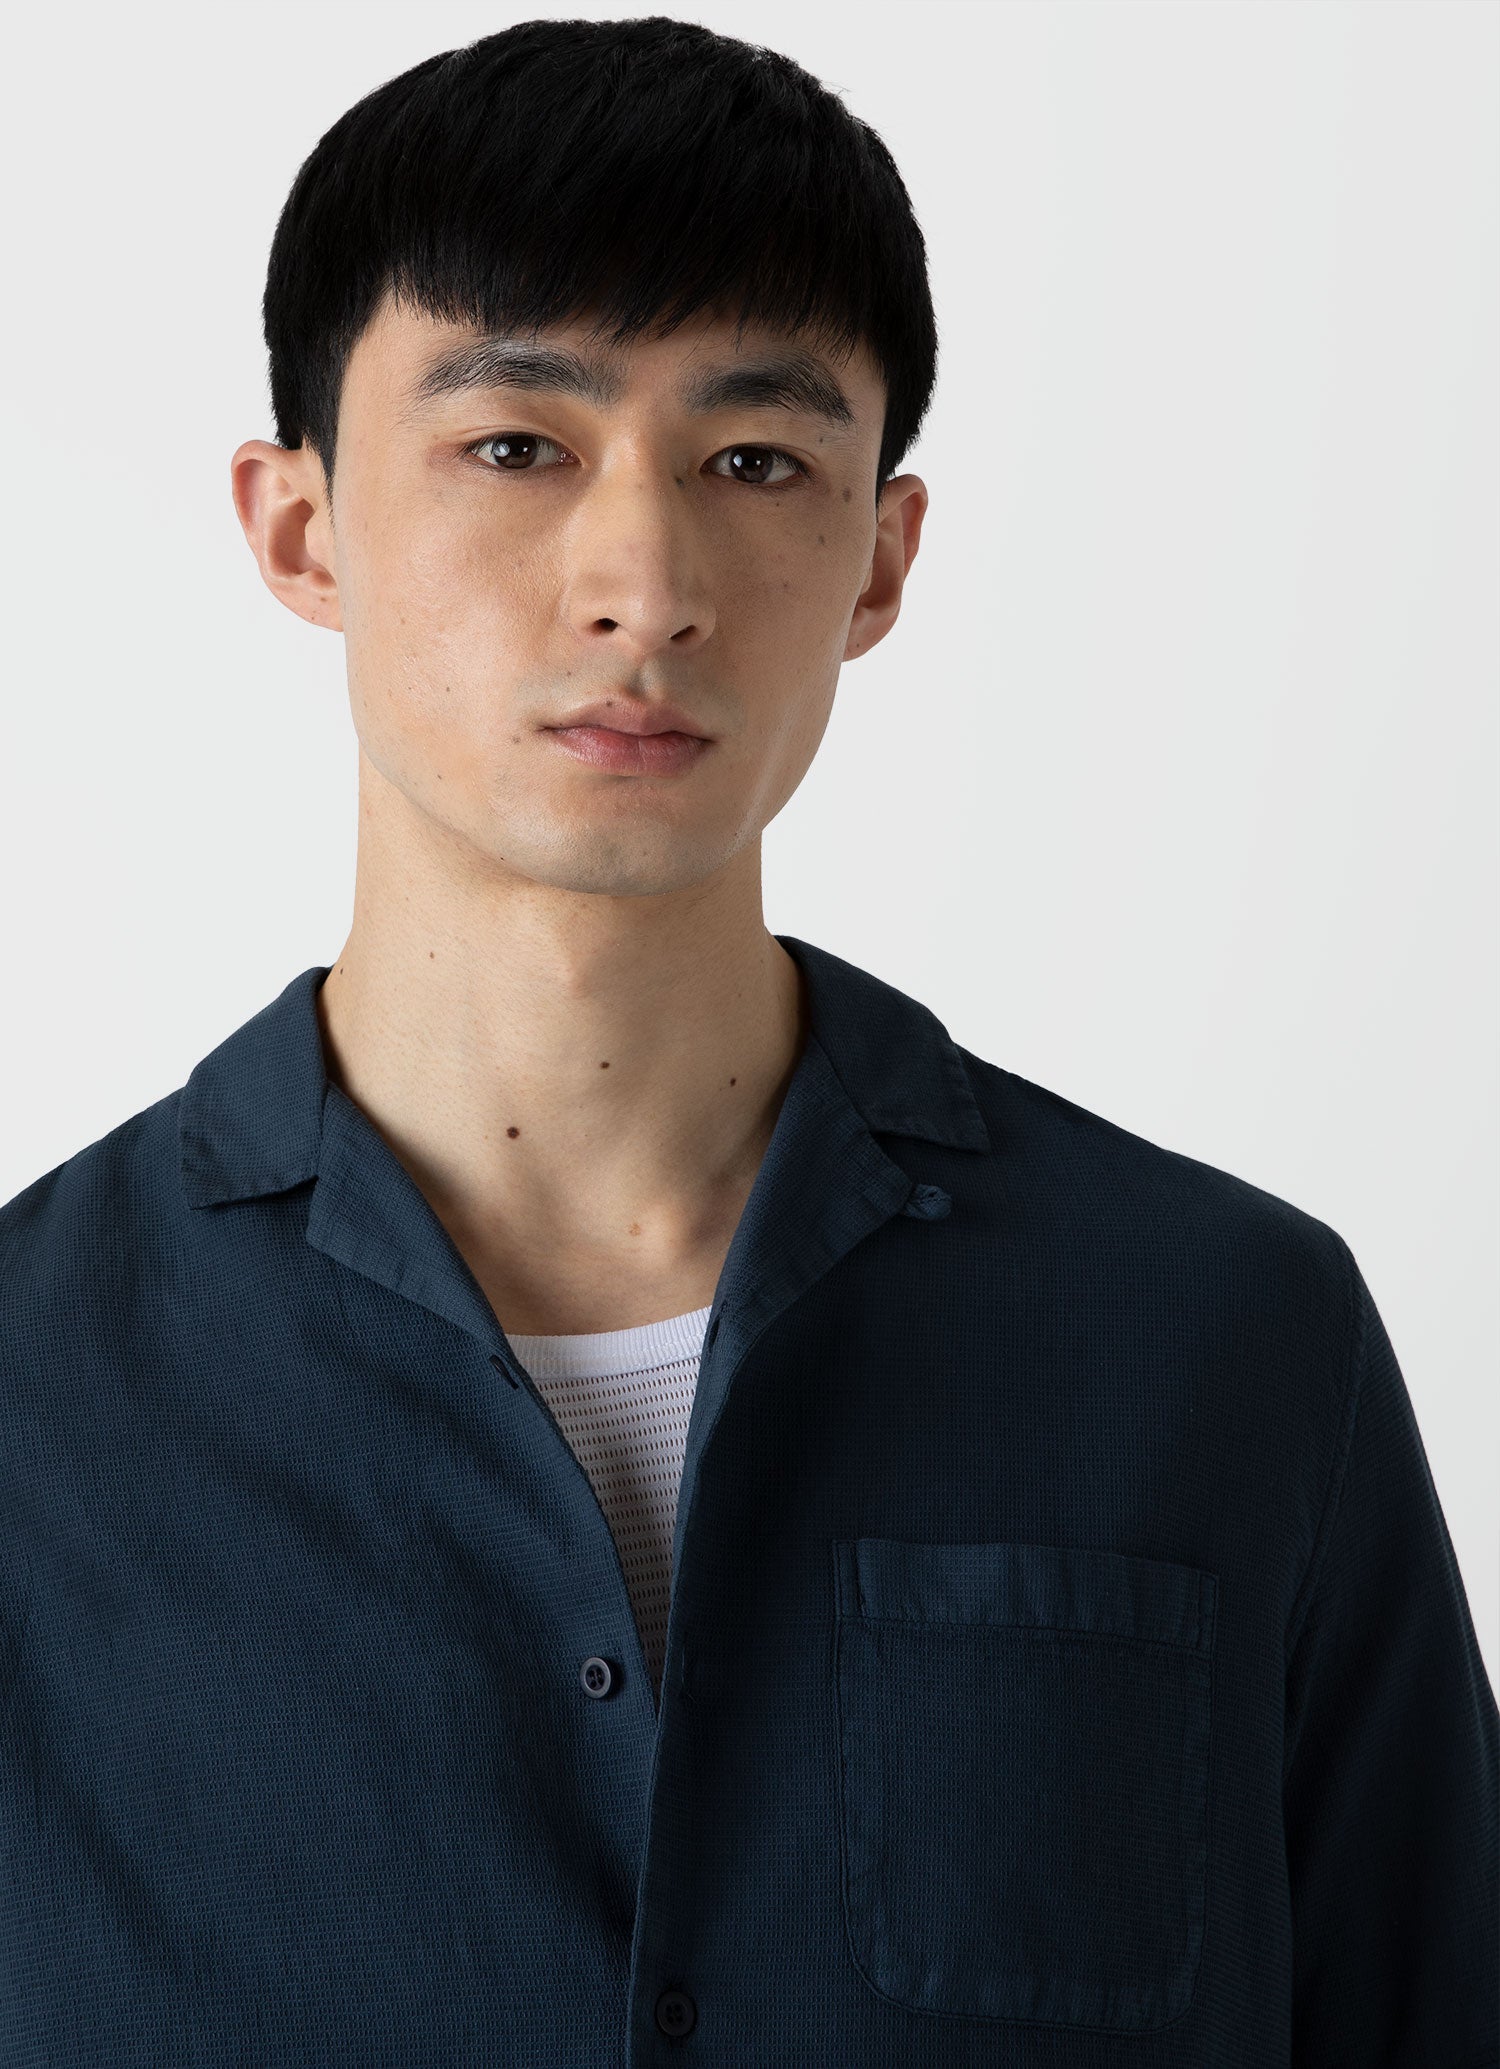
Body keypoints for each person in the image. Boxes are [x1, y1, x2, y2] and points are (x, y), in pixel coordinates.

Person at [0, 16, 1493, 2063]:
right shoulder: (29, 1402)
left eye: (756, 461)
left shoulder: (1235, 1341)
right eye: (515, 446)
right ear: (299, 529)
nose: (645, 582)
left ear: (881, 556)